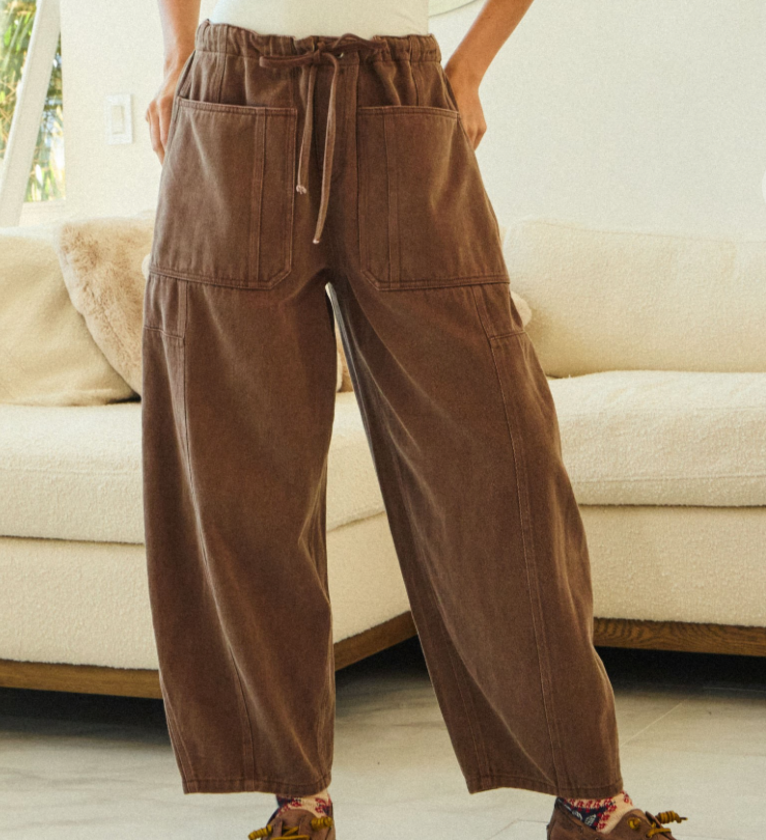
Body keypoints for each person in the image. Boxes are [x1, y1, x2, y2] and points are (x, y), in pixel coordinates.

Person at [141, 1, 689, 838]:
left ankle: (587, 793)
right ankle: (296, 796)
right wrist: (178, 51)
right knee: (237, 468)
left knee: (500, 460)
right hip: (233, 100)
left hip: (400, 94)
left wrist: (467, 68)